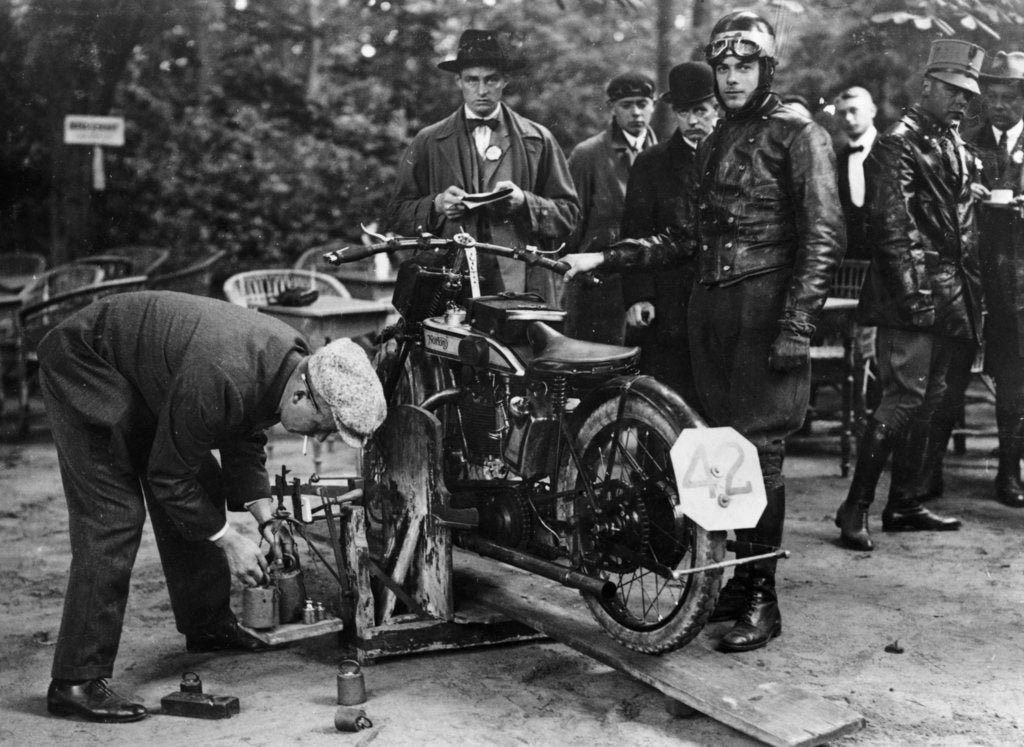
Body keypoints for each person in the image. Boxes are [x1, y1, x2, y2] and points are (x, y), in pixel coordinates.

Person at [563, 11, 845, 652]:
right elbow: (683, 238)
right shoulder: (719, 139)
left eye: (745, 66)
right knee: (720, 456)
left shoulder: (797, 133)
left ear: (767, 68)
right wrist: (605, 258)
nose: (733, 77)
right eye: (724, 67)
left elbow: (824, 237)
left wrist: (797, 324)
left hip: (766, 313)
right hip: (709, 317)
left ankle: (763, 600)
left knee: (762, 457)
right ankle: (737, 589)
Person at [42, 291, 387, 723]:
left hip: (144, 371)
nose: (319, 440)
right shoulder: (224, 372)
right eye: (323, 429)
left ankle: (207, 626)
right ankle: (74, 682)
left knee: (197, 486)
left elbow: (244, 429)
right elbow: (169, 476)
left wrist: (266, 516)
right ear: (303, 395)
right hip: (86, 362)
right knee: (114, 516)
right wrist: (229, 540)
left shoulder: (290, 360)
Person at [833, 39, 984, 551]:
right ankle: (854, 507)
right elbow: (892, 229)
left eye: (968, 92)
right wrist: (917, 299)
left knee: (932, 400)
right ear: (927, 87)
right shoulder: (898, 141)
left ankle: (904, 503)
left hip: (950, 292)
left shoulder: (951, 141)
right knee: (903, 400)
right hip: (912, 293)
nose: (963, 100)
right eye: (953, 90)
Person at [385, 29, 579, 302]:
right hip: (448, 277)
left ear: (505, 81)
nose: (481, 90)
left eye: (491, 80)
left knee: (515, 345)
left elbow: (569, 214)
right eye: (472, 80)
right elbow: (396, 213)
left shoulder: (537, 139)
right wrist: (437, 204)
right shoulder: (429, 140)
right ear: (458, 82)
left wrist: (525, 202)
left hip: (521, 278)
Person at [619, 61, 718, 407]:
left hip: (723, 304)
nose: (693, 122)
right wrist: (638, 296)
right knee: (668, 405)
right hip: (668, 306)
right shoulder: (652, 163)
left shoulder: (736, 158)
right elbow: (635, 231)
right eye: (684, 112)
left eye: (701, 111)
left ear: (716, 109)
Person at [954, 50, 1024, 507]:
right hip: (985, 283)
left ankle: (1009, 471)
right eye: (992, 97)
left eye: (1009, 98)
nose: (999, 106)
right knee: (999, 377)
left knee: (1018, 378)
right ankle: (1004, 475)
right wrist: (969, 194)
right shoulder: (969, 140)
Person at [563, 72, 658, 344]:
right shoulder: (588, 155)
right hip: (598, 289)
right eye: (626, 105)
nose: (636, 112)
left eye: (642, 103)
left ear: (653, 105)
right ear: (613, 108)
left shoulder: (664, 154)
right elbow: (571, 225)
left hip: (648, 290)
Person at [834, 86, 879, 261]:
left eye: (854, 111)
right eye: (842, 113)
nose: (848, 118)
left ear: (872, 111)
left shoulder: (892, 150)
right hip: (851, 261)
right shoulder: (837, 159)